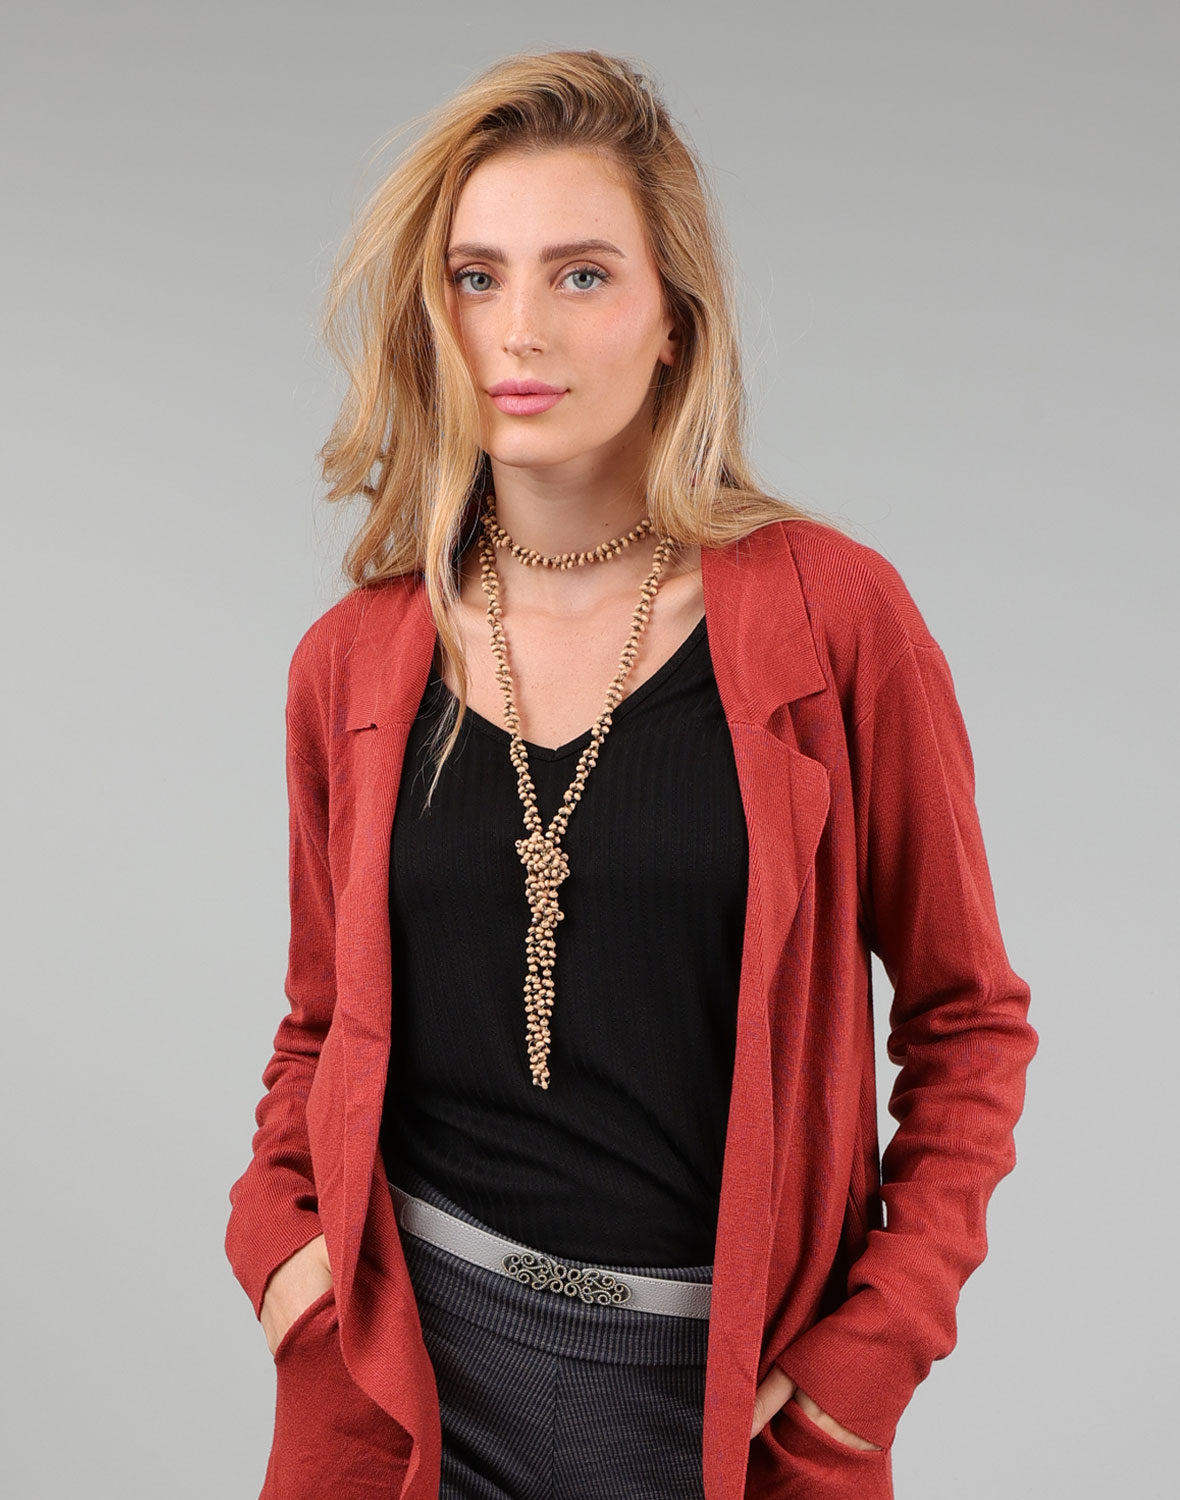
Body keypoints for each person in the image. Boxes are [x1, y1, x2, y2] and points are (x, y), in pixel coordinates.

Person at [225, 48, 1038, 1500]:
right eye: (476, 277)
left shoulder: (835, 624)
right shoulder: (350, 663)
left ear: (676, 321)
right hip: (405, 1374)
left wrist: (877, 1349)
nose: (519, 328)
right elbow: (320, 1026)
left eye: (583, 275)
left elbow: (969, 1020)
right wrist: (281, 1249)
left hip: (713, 1398)